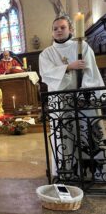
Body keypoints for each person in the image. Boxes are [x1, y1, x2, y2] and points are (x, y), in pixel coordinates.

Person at [39, 15, 105, 177]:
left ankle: (93, 173)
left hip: (84, 100)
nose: (59, 31)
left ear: (71, 30)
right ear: (52, 32)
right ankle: (66, 171)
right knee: (63, 137)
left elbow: (92, 72)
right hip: (60, 102)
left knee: (89, 135)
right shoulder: (46, 54)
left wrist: (84, 94)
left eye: (62, 27)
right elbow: (46, 74)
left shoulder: (82, 47)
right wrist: (69, 66)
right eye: (55, 29)